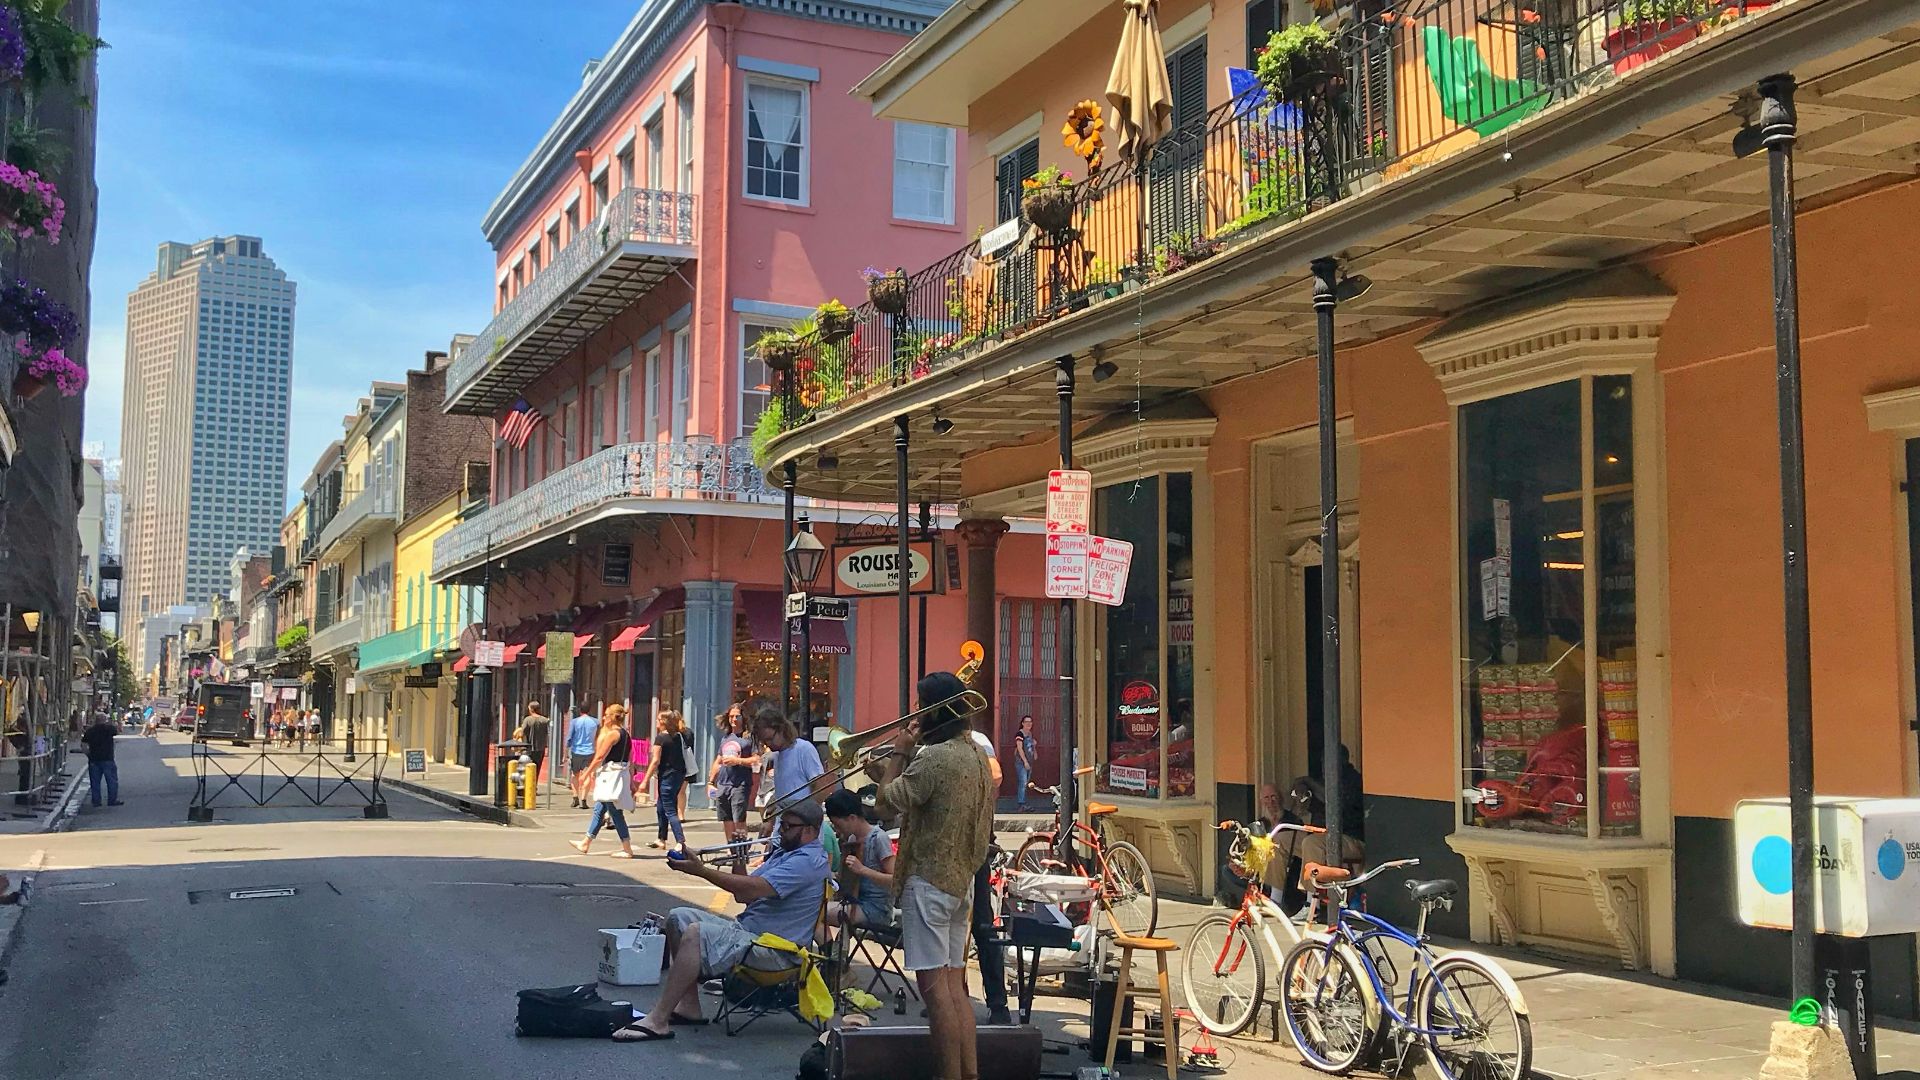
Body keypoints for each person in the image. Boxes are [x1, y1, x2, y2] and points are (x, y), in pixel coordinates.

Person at [614, 800, 831, 1041]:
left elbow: (751, 889)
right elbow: (743, 896)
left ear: (809, 830)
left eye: (789, 826)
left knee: (696, 933)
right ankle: (688, 1007)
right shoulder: (786, 853)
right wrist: (739, 859)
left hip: (778, 950)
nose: (781, 831)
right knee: (678, 917)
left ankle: (658, 1020)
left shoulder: (807, 861)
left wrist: (702, 871)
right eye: (782, 824)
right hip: (751, 934)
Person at [873, 672, 996, 1080]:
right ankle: (969, 1073)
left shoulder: (933, 758)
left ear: (934, 710)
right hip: (962, 882)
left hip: (928, 881)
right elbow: (926, 793)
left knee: (935, 991)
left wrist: (898, 753)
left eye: (920, 705)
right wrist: (899, 763)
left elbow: (885, 805)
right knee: (956, 988)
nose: (914, 712)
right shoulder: (976, 754)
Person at [965, 721, 1013, 1026]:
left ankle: (997, 1002)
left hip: (974, 844)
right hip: (942, 849)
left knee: (982, 924)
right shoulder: (929, 745)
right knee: (947, 931)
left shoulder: (977, 740)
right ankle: (952, 996)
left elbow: (995, 775)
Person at [823, 787, 895, 941]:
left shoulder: (878, 839)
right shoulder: (852, 839)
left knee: (817, 913)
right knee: (811, 908)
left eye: (838, 825)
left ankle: (828, 949)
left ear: (852, 818)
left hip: (876, 909)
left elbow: (895, 880)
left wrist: (862, 870)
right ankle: (832, 950)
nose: (837, 831)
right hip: (853, 902)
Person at [570, 704, 637, 859]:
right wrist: (631, 781)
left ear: (612, 717)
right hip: (619, 774)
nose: (604, 718)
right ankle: (586, 842)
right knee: (599, 809)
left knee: (615, 812)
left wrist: (587, 773)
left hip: (610, 777)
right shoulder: (626, 735)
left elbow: (600, 756)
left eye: (606, 715)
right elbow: (630, 759)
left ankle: (627, 848)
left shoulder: (613, 734)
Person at [752, 707, 824, 830]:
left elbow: (820, 787)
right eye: (764, 741)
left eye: (770, 739)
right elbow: (783, 793)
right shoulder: (777, 756)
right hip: (784, 826)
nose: (767, 744)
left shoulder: (804, 749)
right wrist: (771, 821)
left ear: (781, 729)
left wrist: (807, 820)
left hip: (803, 827)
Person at [709, 704, 757, 874]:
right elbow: (718, 760)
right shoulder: (726, 738)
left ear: (743, 718)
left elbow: (757, 759)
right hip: (723, 783)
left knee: (739, 820)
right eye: (731, 716)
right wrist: (710, 781)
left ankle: (742, 853)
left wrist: (738, 761)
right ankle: (732, 852)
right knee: (726, 819)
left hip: (740, 784)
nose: (734, 719)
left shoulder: (749, 738)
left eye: (737, 716)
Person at [639, 710, 689, 853]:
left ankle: (680, 841)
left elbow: (655, 760)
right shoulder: (678, 736)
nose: (656, 721)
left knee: (670, 810)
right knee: (661, 807)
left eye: (658, 719)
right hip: (677, 776)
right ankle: (661, 839)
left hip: (667, 777)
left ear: (663, 722)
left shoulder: (661, 738)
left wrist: (645, 781)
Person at [82, 713, 122, 808]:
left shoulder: (90, 731)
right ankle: (112, 800)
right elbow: (118, 730)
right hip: (107, 758)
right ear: (105, 720)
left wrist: (88, 754)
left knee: (95, 782)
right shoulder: (109, 729)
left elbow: (83, 745)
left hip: (94, 759)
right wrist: (114, 722)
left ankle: (96, 801)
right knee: (111, 780)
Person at [565, 701, 600, 809]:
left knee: (574, 775)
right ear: (590, 710)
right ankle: (584, 799)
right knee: (587, 775)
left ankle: (575, 797)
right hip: (590, 751)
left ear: (580, 710)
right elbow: (598, 737)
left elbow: (569, 738)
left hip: (576, 751)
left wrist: (565, 753)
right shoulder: (596, 722)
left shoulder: (574, 722)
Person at [518, 700, 551, 775]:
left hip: (528, 749)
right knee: (537, 769)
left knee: (526, 770)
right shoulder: (545, 720)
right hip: (540, 749)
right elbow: (548, 733)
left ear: (531, 709)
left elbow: (521, 734)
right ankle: (534, 781)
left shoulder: (527, 720)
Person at [1013, 716, 1037, 812]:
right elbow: (1019, 748)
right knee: (1023, 782)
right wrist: (1025, 762)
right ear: (1022, 723)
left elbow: (1032, 746)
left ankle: (1024, 803)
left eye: (1030, 722)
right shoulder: (1020, 734)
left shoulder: (1030, 734)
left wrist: (1035, 752)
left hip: (1029, 762)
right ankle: (1021, 804)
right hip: (1021, 762)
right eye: (1026, 722)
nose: (1029, 724)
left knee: (1026, 783)